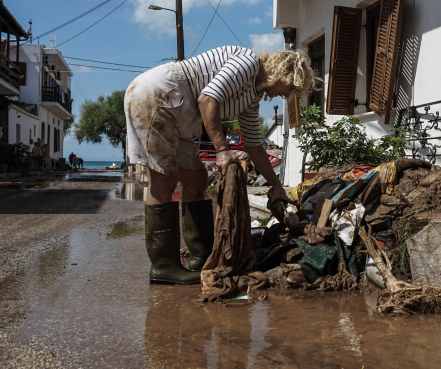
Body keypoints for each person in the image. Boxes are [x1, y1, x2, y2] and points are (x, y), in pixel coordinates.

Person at [124, 46, 316, 285]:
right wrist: (222, 150)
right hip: (160, 94)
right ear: (283, 75)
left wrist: (276, 186)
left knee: (197, 181)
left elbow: (254, 147)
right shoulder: (248, 63)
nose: (286, 95)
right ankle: (164, 267)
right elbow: (207, 99)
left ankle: (202, 258)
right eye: (289, 89)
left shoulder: (251, 96)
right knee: (163, 181)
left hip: (182, 110)